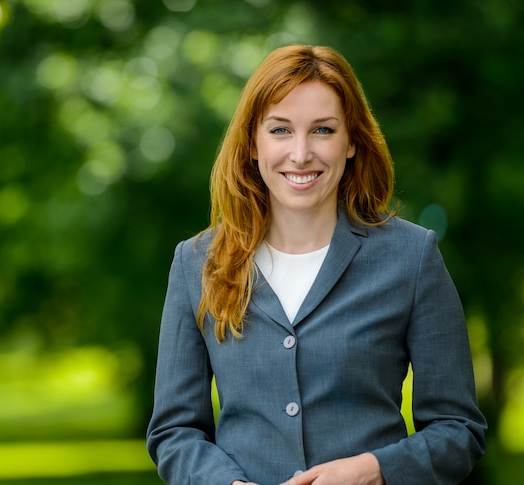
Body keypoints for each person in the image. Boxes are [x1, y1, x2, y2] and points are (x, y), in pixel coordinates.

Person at [146, 44, 487, 485]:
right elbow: (174, 431)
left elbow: (458, 430)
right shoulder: (196, 264)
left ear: (351, 143)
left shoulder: (412, 257)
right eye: (281, 130)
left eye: (323, 130)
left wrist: (372, 471)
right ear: (253, 143)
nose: (301, 153)